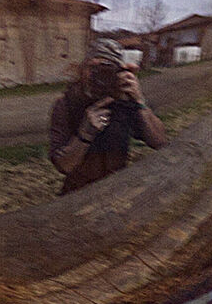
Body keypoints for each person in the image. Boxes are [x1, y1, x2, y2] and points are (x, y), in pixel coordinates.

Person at [48, 43, 169, 194]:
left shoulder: (124, 101)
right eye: (92, 67)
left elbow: (160, 142)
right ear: (82, 69)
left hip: (115, 190)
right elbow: (63, 166)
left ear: (117, 73)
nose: (97, 75)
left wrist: (139, 101)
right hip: (78, 192)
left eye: (106, 69)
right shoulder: (67, 103)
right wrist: (84, 135)